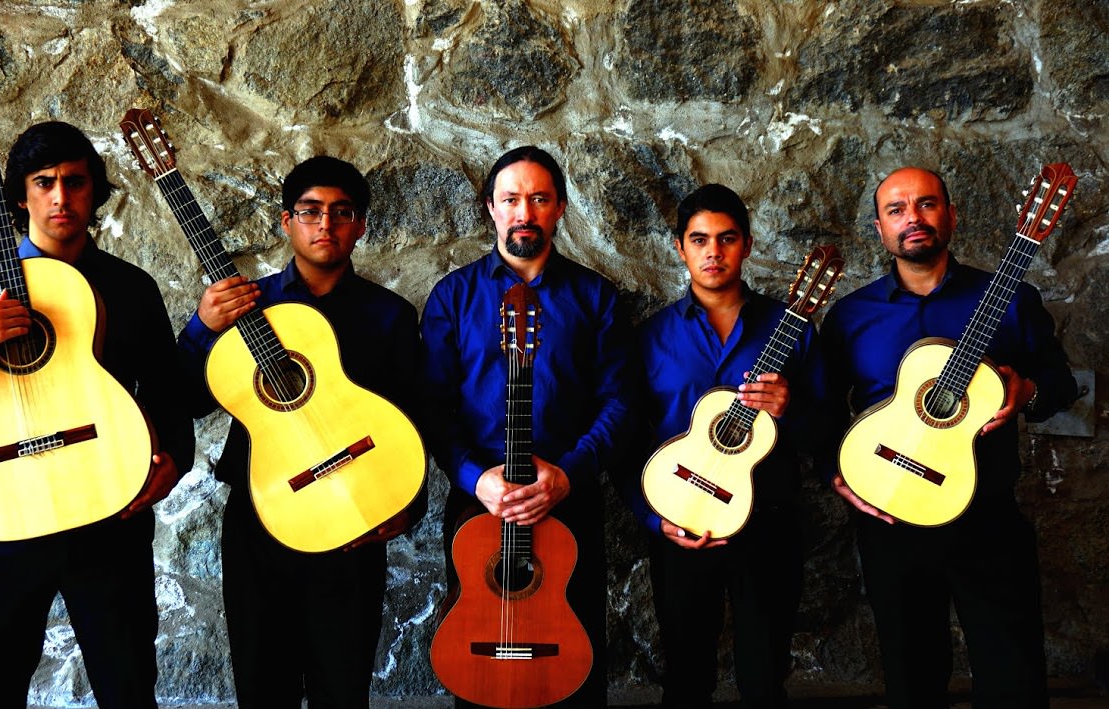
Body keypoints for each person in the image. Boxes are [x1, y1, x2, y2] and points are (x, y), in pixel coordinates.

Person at [0, 121, 195, 707]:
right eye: (44, 182)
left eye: (76, 182)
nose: (61, 198)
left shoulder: (132, 289)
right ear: (19, 195)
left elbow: (167, 391)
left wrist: (174, 462)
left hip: (107, 511)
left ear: (95, 192)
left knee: (128, 684)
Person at [821, 166, 1078, 708]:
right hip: (891, 520)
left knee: (1014, 680)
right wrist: (835, 473)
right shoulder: (849, 316)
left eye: (926, 204)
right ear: (879, 228)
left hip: (987, 517)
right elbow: (818, 411)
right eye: (896, 209)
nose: (912, 218)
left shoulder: (1010, 297)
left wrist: (1025, 390)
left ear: (951, 215)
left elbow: (1059, 384)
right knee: (912, 681)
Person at [176, 155, 422, 708]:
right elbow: (187, 400)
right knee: (263, 683)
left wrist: (408, 504)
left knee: (343, 683)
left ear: (360, 224)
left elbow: (414, 418)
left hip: (354, 514)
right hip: (262, 512)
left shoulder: (391, 317)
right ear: (287, 222)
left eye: (341, 213)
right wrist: (199, 328)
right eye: (310, 212)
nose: (325, 225)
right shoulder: (243, 308)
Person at [419, 145, 632, 706]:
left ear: (559, 207)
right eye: (511, 199)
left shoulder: (596, 298)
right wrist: (475, 478)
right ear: (490, 207)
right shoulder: (453, 297)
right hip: (477, 506)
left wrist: (568, 474)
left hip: (568, 499)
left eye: (538, 199)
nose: (524, 213)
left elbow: (619, 402)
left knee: (573, 663)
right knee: (480, 661)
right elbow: (433, 406)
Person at [623, 184, 824, 707]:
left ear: (748, 246)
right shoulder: (650, 339)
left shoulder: (792, 328)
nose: (714, 251)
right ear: (680, 248)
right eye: (700, 240)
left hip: (770, 522)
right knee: (686, 679)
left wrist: (791, 408)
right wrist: (653, 519)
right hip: (681, 521)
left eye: (727, 239)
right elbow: (626, 441)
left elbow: (831, 430)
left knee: (765, 678)